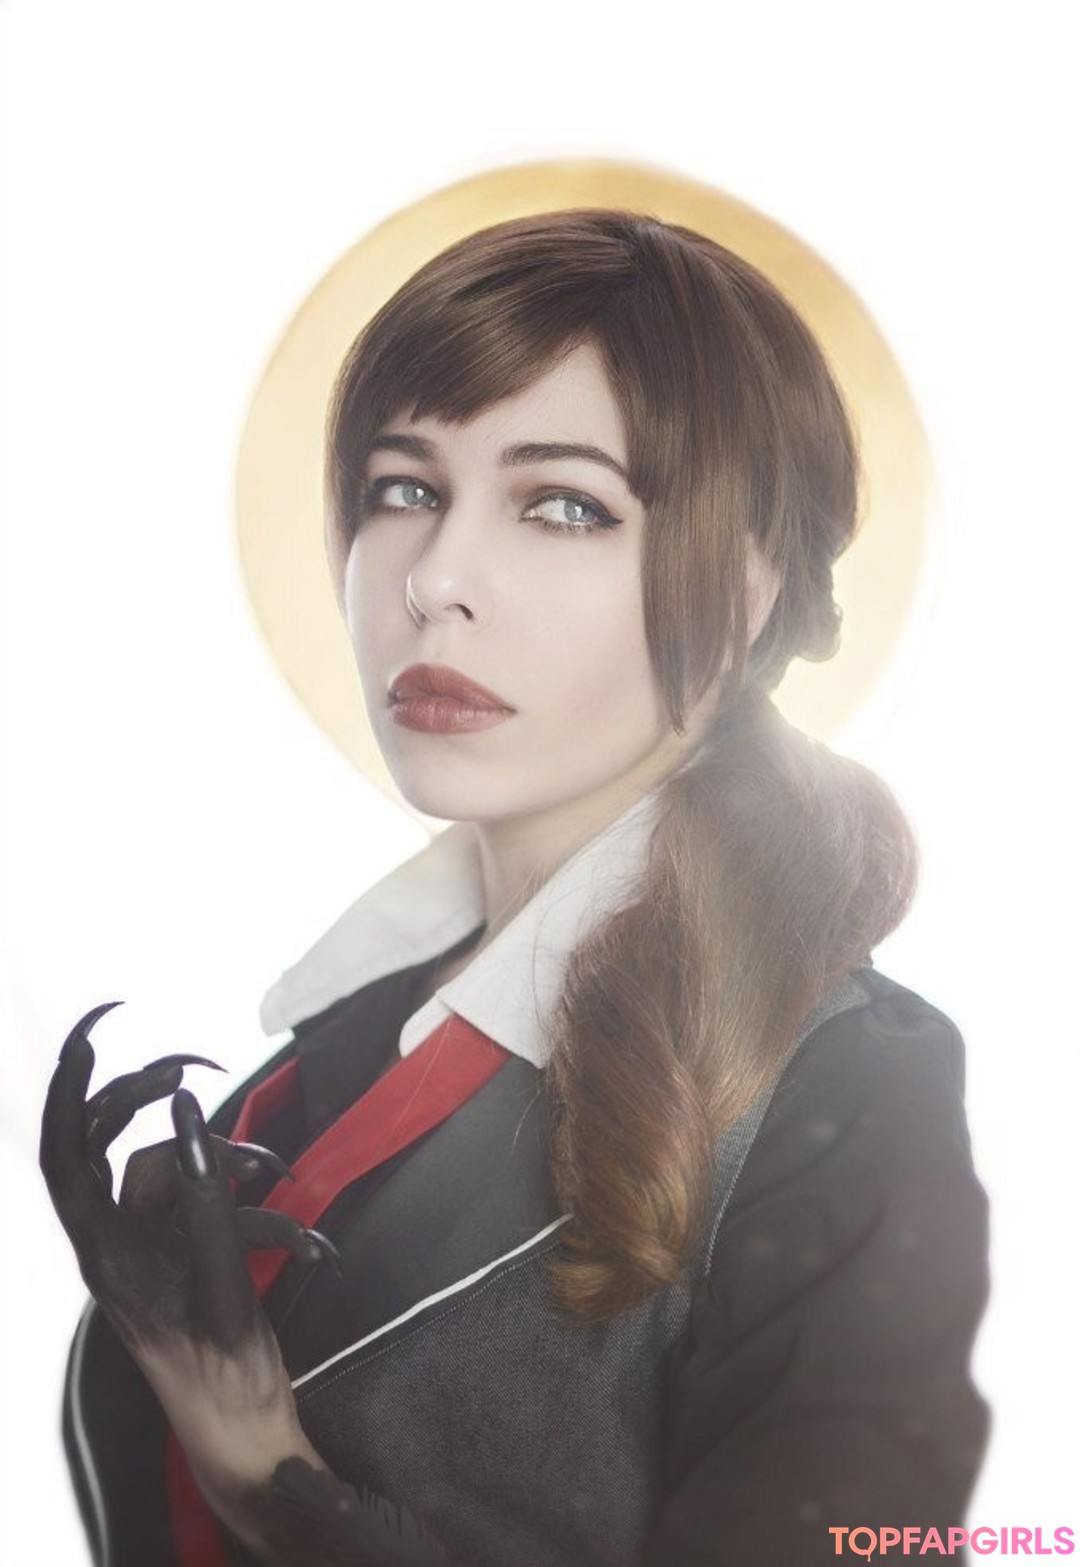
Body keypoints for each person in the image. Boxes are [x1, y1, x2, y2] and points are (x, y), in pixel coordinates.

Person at [42, 209, 990, 1567]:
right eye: (403, 489)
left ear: (748, 586)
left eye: (564, 506)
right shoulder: (313, 1065)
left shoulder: (842, 1091)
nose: (435, 582)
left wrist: (273, 1484)